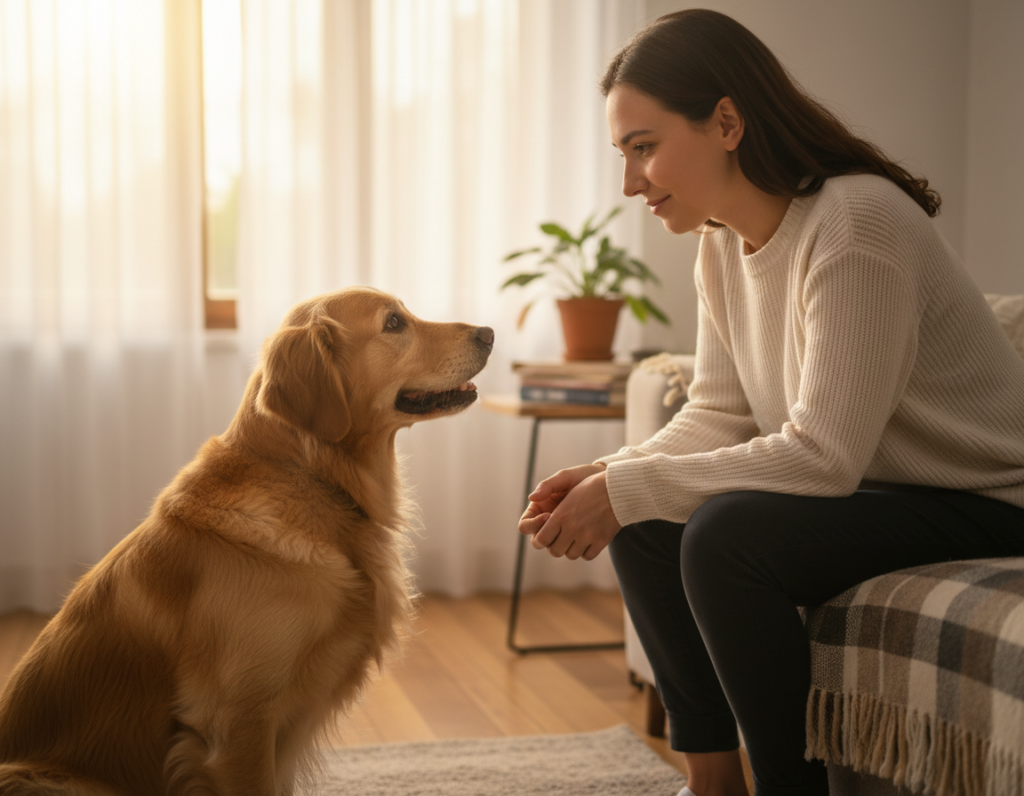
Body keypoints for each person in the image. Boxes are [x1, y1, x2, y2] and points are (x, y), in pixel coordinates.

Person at [517, 9, 1024, 796]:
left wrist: (626, 485)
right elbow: (719, 411)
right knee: (645, 519)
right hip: (890, 491)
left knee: (725, 533)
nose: (630, 183)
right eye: (623, 155)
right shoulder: (721, 242)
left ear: (726, 121)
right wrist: (615, 473)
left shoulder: (855, 224)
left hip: (989, 499)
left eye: (644, 148)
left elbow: (824, 457)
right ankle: (712, 784)